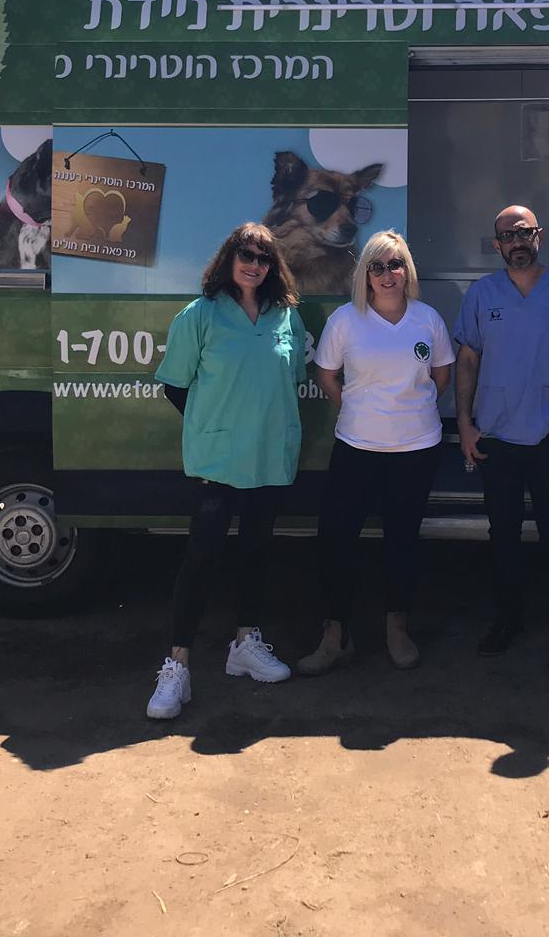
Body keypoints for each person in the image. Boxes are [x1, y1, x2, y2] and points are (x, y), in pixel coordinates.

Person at [145, 222, 308, 721]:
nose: (253, 264)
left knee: (257, 552)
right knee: (201, 557)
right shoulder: (199, 315)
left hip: (269, 456)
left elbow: (291, 378)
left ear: (272, 266)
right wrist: (208, 423)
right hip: (217, 460)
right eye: (245, 254)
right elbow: (175, 385)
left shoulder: (287, 317)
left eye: (263, 257)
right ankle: (177, 667)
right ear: (228, 258)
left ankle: (245, 645)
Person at [297, 231, 454, 675]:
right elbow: (328, 376)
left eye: (395, 265)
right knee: (335, 541)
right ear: (364, 275)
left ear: (408, 271)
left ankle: (397, 628)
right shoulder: (346, 321)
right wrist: (360, 409)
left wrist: (405, 409)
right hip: (356, 449)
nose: (387, 275)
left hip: (416, 450)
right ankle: (335, 635)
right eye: (377, 267)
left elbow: (441, 376)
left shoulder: (428, 320)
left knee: (401, 542)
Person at [454, 205, 549, 670]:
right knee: (504, 537)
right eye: (507, 235)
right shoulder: (482, 294)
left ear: (540, 236)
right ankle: (507, 620)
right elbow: (469, 360)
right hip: (497, 436)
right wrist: (466, 422)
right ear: (496, 245)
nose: (516, 241)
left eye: (524, 232)